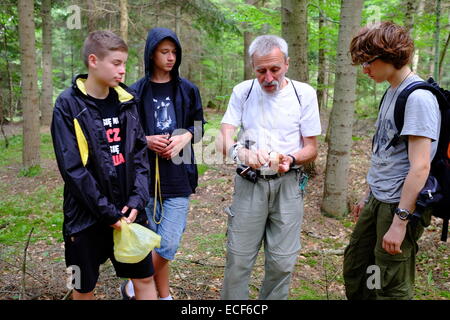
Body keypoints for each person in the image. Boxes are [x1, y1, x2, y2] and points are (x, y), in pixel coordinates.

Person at [51, 31, 157, 300]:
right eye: (117, 63)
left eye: (124, 63)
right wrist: (108, 214)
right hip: (86, 216)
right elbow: (73, 170)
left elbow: (140, 155)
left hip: (130, 213)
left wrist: (137, 200)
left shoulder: (128, 100)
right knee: (83, 285)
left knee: (144, 277)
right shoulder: (68, 104)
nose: (123, 71)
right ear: (93, 60)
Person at [217, 35, 321, 300]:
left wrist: (292, 159)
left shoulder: (303, 93)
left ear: (286, 63)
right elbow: (223, 137)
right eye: (261, 70)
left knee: (282, 261)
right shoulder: (244, 91)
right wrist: (241, 152)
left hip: (288, 184)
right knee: (239, 258)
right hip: (249, 183)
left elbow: (311, 147)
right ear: (253, 67)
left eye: (274, 69)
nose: (268, 77)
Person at [343, 22, 441, 300]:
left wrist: (400, 222)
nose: (365, 69)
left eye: (368, 62)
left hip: (399, 206)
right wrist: (368, 195)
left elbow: (421, 166)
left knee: (388, 285)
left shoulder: (418, 98)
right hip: (379, 198)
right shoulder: (391, 91)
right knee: (358, 268)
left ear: (391, 55)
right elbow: (385, 152)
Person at [120, 27, 204, 300]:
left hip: (179, 176)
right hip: (144, 180)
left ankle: (134, 285)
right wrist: (146, 140)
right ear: (151, 53)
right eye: (164, 52)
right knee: (152, 242)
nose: (170, 58)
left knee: (167, 243)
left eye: (174, 52)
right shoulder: (134, 92)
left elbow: (200, 126)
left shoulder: (188, 89)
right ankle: (162, 295)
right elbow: (124, 136)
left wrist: (185, 137)